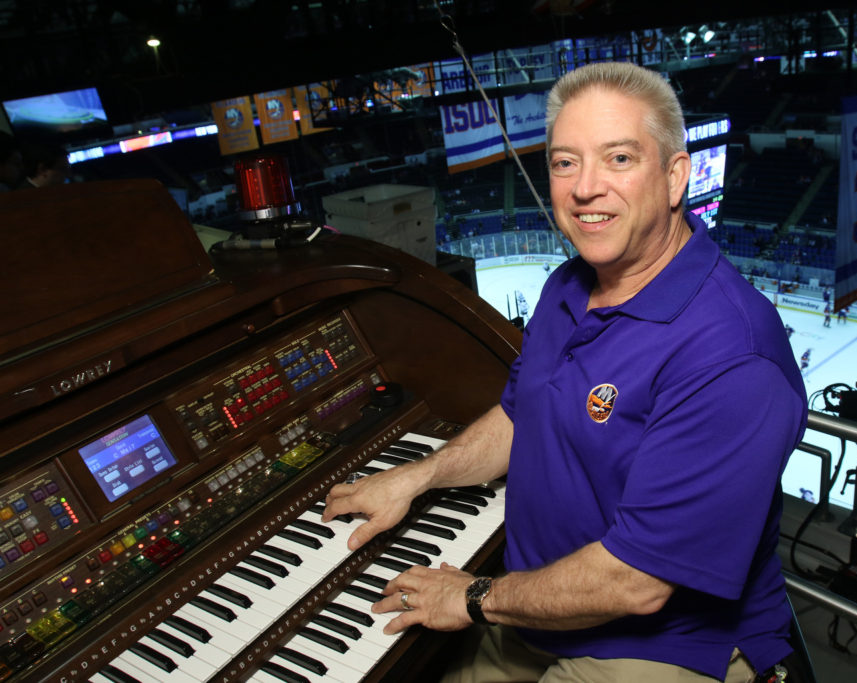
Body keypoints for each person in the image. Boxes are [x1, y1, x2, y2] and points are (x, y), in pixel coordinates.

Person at [322, 62, 807, 683]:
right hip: (541, 609)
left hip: (664, 646)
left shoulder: (731, 355)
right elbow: (524, 412)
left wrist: (473, 598)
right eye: (564, 162)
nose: (585, 189)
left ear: (675, 176)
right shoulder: (567, 285)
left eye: (620, 158)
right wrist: (419, 476)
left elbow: (637, 584)